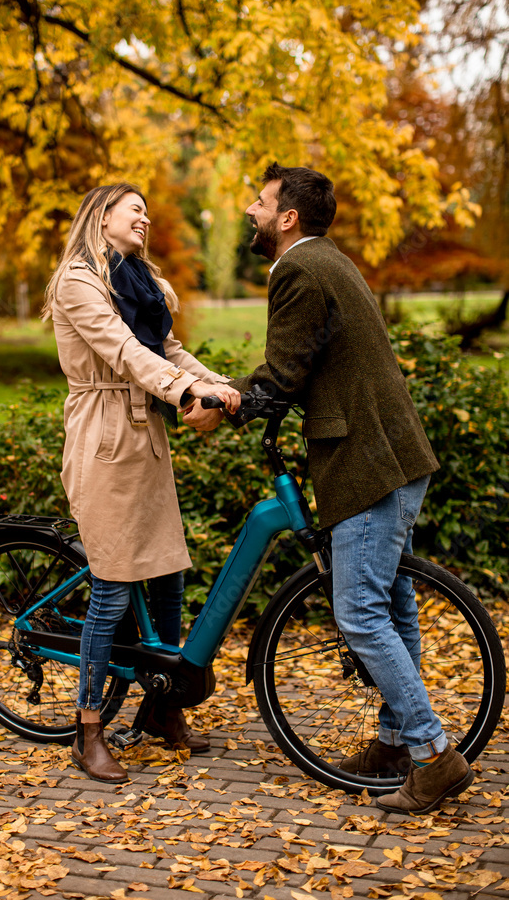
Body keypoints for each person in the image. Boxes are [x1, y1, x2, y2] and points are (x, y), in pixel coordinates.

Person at [183, 164, 474, 815]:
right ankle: (397, 740)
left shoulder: (297, 270)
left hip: (365, 464)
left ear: (287, 216)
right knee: (392, 605)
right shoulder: (329, 263)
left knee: (361, 612)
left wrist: (224, 404)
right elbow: (311, 362)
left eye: (258, 203)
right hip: (393, 455)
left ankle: (432, 754)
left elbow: (283, 373)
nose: (249, 211)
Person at [43, 182, 240, 783]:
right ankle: (88, 729)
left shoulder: (138, 281)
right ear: (102, 217)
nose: (146, 220)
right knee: (111, 585)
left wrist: (221, 383)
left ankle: (161, 709)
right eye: (136, 210)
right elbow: (124, 351)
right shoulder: (79, 281)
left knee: (169, 576)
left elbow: (168, 348)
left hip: (144, 436)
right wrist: (185, 392)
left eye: (151, 213)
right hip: (103, 438)